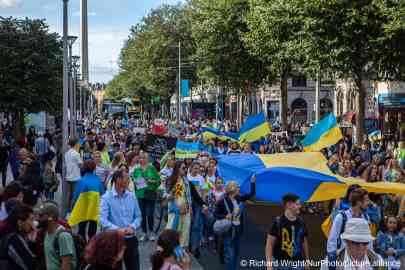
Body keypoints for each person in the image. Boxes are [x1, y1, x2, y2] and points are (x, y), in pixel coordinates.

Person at [100, 169, 142, 270]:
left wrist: (132, 226)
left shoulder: (132, 196)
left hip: (131, 240)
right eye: (127, 178)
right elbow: (102, 220)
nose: (129, 181)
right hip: (114, 241)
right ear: (118, 180)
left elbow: (138, 216)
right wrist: (118, 229)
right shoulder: (106, 198)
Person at [214, 175, 256, 270]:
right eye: (237, 186)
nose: (239, 188)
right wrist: (225, 216)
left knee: (236, 252)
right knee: (230, 255)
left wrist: (252, 182)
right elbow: (215, 214)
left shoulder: (238, 198)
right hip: (228, 230)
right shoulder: (222, 201)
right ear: (232, 189)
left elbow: (251, 194)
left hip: (237, 230)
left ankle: (231, 265)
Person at [327, 188, 371, 265]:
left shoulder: (366, 218)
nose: (369, 203)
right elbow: (332, 240)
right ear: (359, 202)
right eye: (366, 200)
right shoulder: (341, 217)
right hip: (342, 261)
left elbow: (368, 242)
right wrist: (332, 260)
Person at [321, 218, 386, 270]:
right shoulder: (330, 262)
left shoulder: (378, 261)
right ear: (346, 241)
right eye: (356, 242)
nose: (361, 247)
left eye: (365, 243)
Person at [265, 193, 309, 270]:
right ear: (289, 205)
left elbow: (304, 242)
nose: (300, 206)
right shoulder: (278, 222)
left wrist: (307, 260)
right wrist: (269, 265)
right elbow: (269, 244)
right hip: (280, 264)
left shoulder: (301, 222)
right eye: (297, 204)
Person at [69, 160, 105, 241]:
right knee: (92, 230)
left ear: (84, 168)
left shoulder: (82, 181)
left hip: (83, 209)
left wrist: (72, 207)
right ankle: (91, 246)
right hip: (94, 209)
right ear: (94, 168)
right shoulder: (98, 180)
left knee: (81, 229)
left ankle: (83, 246)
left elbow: (76, 196)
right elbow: (102, 193)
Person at [37, 202, 77, 270]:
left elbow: (66, 267)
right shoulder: (46, 234)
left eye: (41, 216)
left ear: (50, 217)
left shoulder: (63, 236)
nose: (38, 218)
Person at [132, 151, 160, 241]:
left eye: (143, 158)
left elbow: (158, 181)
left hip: (150, 193)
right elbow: (133, 180)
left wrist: (151, 181)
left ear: (147, 159)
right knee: (142, 215)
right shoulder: (136, 169)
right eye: (140, 158)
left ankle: (151, 231)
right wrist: (135, 181)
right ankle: (144, 232)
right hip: (140, 194)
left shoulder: (152, 168)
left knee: (149, 214)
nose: (141, 159)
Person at [0, 203, 37, 270]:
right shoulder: (14, 240)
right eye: (31, 220)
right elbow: (31, 265)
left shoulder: (6, 234)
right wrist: (32, 242)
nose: (33, 224)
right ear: (20, 223)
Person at [65, 138, 83, 214]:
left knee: (69, 194)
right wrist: (81, 155)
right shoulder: (76, 153)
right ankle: (73, 210)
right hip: (75, 176)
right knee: (75, 194)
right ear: (76, 144)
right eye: (78, 143)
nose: (79, 144)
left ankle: (68, 211)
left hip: (68, 175)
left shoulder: (67, 153)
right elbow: (81, 165)